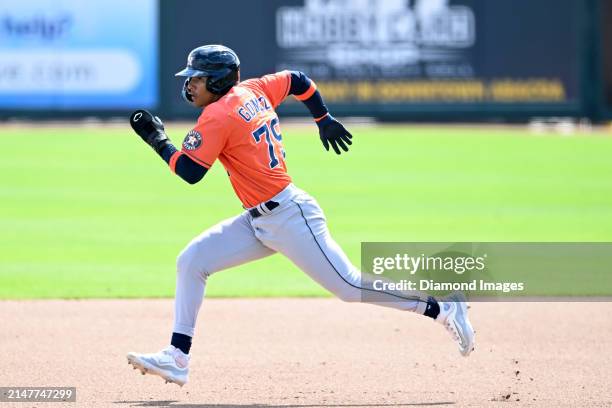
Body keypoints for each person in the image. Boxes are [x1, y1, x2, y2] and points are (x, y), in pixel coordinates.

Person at [126, 45, 475, 387]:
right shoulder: (254, 89)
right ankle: (178, 356)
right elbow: (297, 79)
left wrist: (156, 139)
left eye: (196, 79)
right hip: (258, 220)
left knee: (351, 286)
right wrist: (322, 117)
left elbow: (189, 172)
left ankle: (441, 307)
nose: (189, 85)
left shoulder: (218, 115)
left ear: (216, 82)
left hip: (290, 218)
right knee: (192, 261)